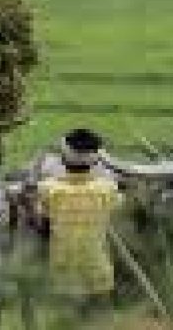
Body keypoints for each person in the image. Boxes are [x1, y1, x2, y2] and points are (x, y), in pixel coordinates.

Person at [34, 127, 124, 317]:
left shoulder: (47, 189)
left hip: (62, 275)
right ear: (96, 161)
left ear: (63, 159)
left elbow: (42, 224)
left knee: (65, 320)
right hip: (99, 274)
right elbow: (116, 208)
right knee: (99, 320)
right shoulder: (108, 189)